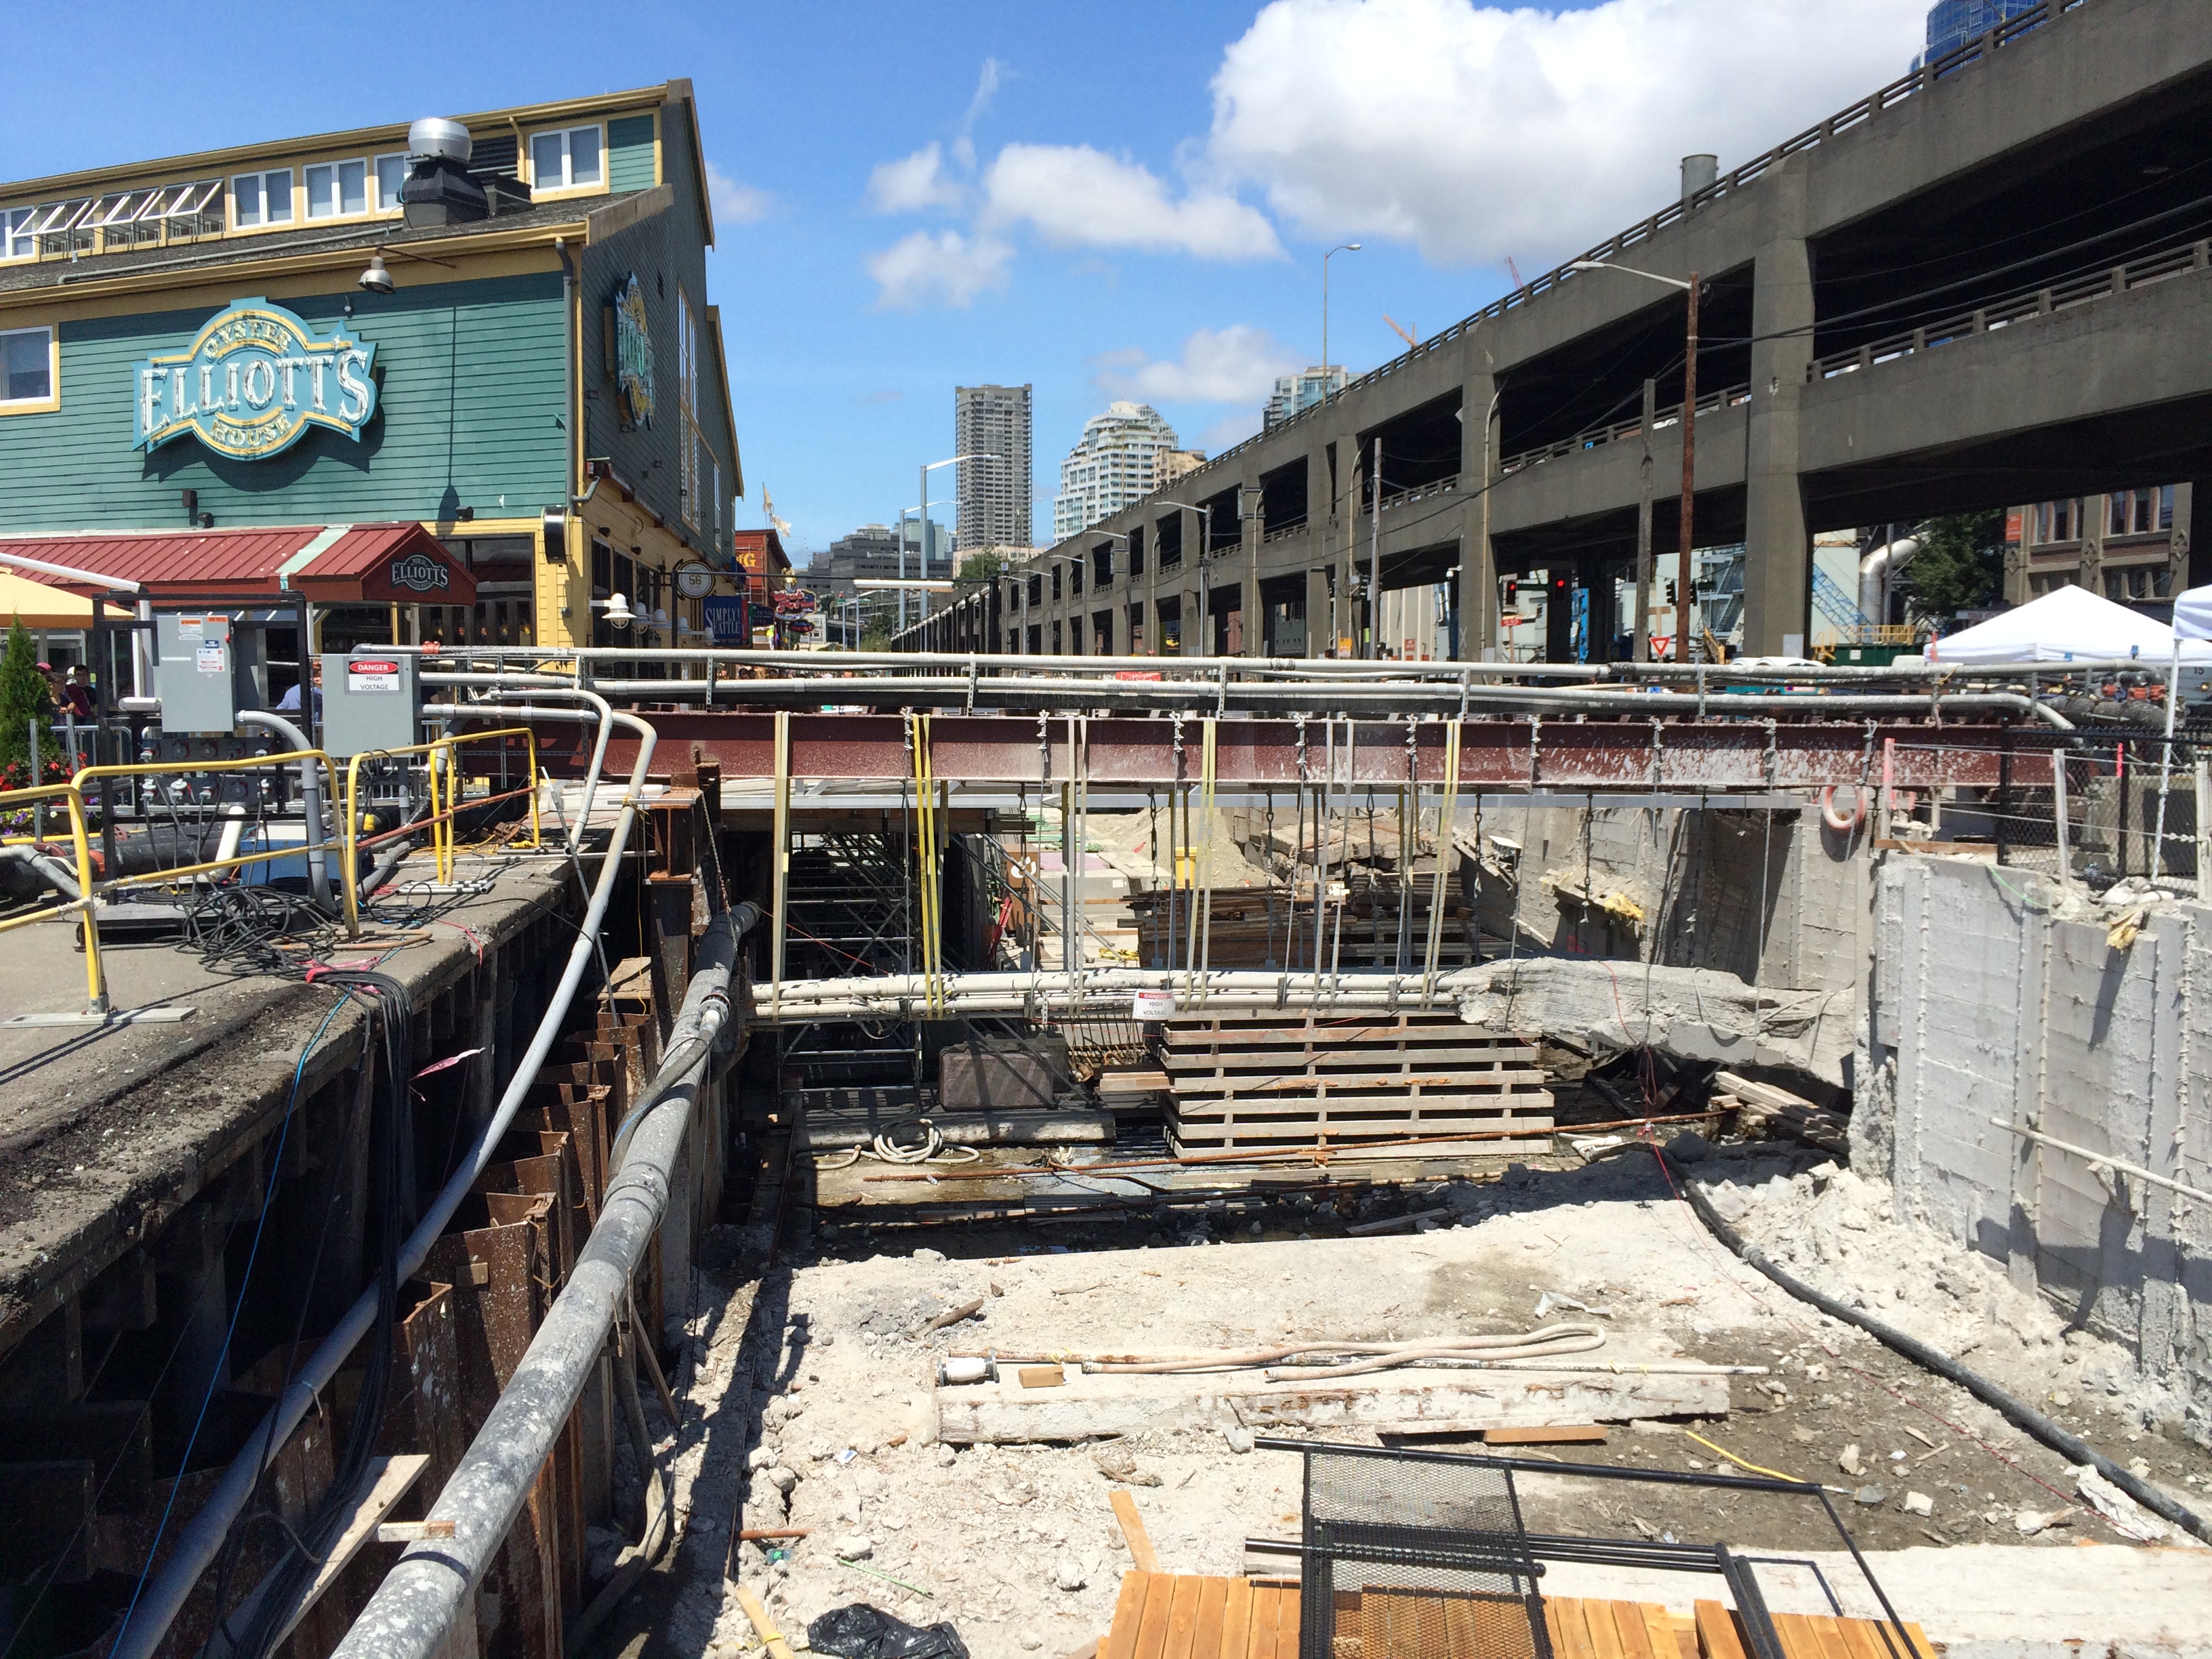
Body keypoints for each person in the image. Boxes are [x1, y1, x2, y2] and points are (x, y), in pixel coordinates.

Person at [276, 656, 323, 721]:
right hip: (309, 725)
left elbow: (280, 709)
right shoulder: (316, 692)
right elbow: (332, 702)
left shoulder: (291, 691)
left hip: (292, 724)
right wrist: (324, 685)